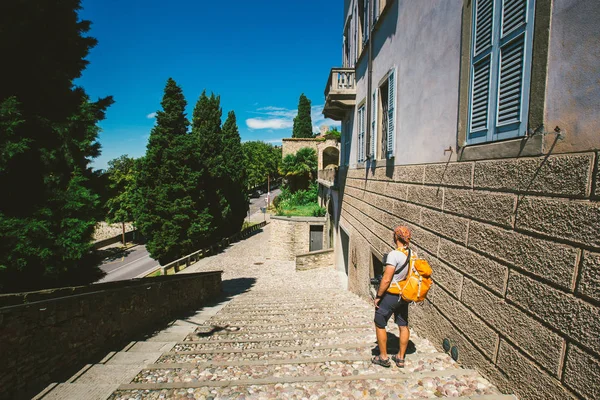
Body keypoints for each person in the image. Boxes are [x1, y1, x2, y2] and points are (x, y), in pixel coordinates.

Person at [372, 225, 415, 368]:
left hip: (392, 294)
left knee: (379, 320)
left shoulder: (394, 255)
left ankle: (383, 357)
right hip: (404, 295)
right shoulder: (412, 254)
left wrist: (378, 295)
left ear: (396, 237)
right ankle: (400, 357)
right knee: (403, 325)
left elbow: (386, 279)